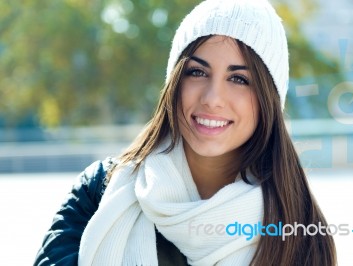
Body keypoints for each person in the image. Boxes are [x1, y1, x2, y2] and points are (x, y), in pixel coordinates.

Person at [34, 0, 337, 265]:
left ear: (269, 98)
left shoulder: (302, 234)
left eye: (239, 79)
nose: (212, 98)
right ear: (174, 82)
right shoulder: (98, 193)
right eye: (197, 72)